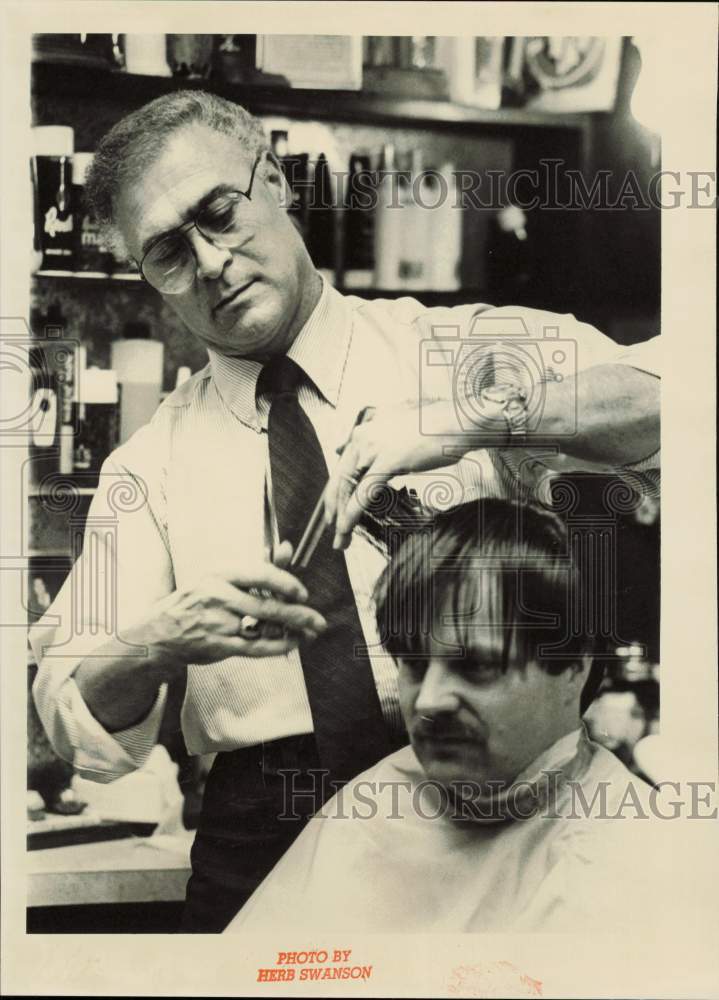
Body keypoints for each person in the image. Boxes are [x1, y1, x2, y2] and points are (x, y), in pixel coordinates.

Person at [29, 90, 660, 932]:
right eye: (169, 254)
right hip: (264, 840)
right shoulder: (147, 466)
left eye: (219, 212)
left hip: (489, 812)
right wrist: (159, 640)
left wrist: (466, 419)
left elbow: (672, 398)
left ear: (278, 182)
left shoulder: (451, 352)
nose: (211, 262)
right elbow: (76, 724)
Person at [227, 499, 668, 935]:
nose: (428, 702)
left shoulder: (638, 850)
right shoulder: (371, 806)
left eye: (475, 666)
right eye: (414, 665)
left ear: (575, 667)